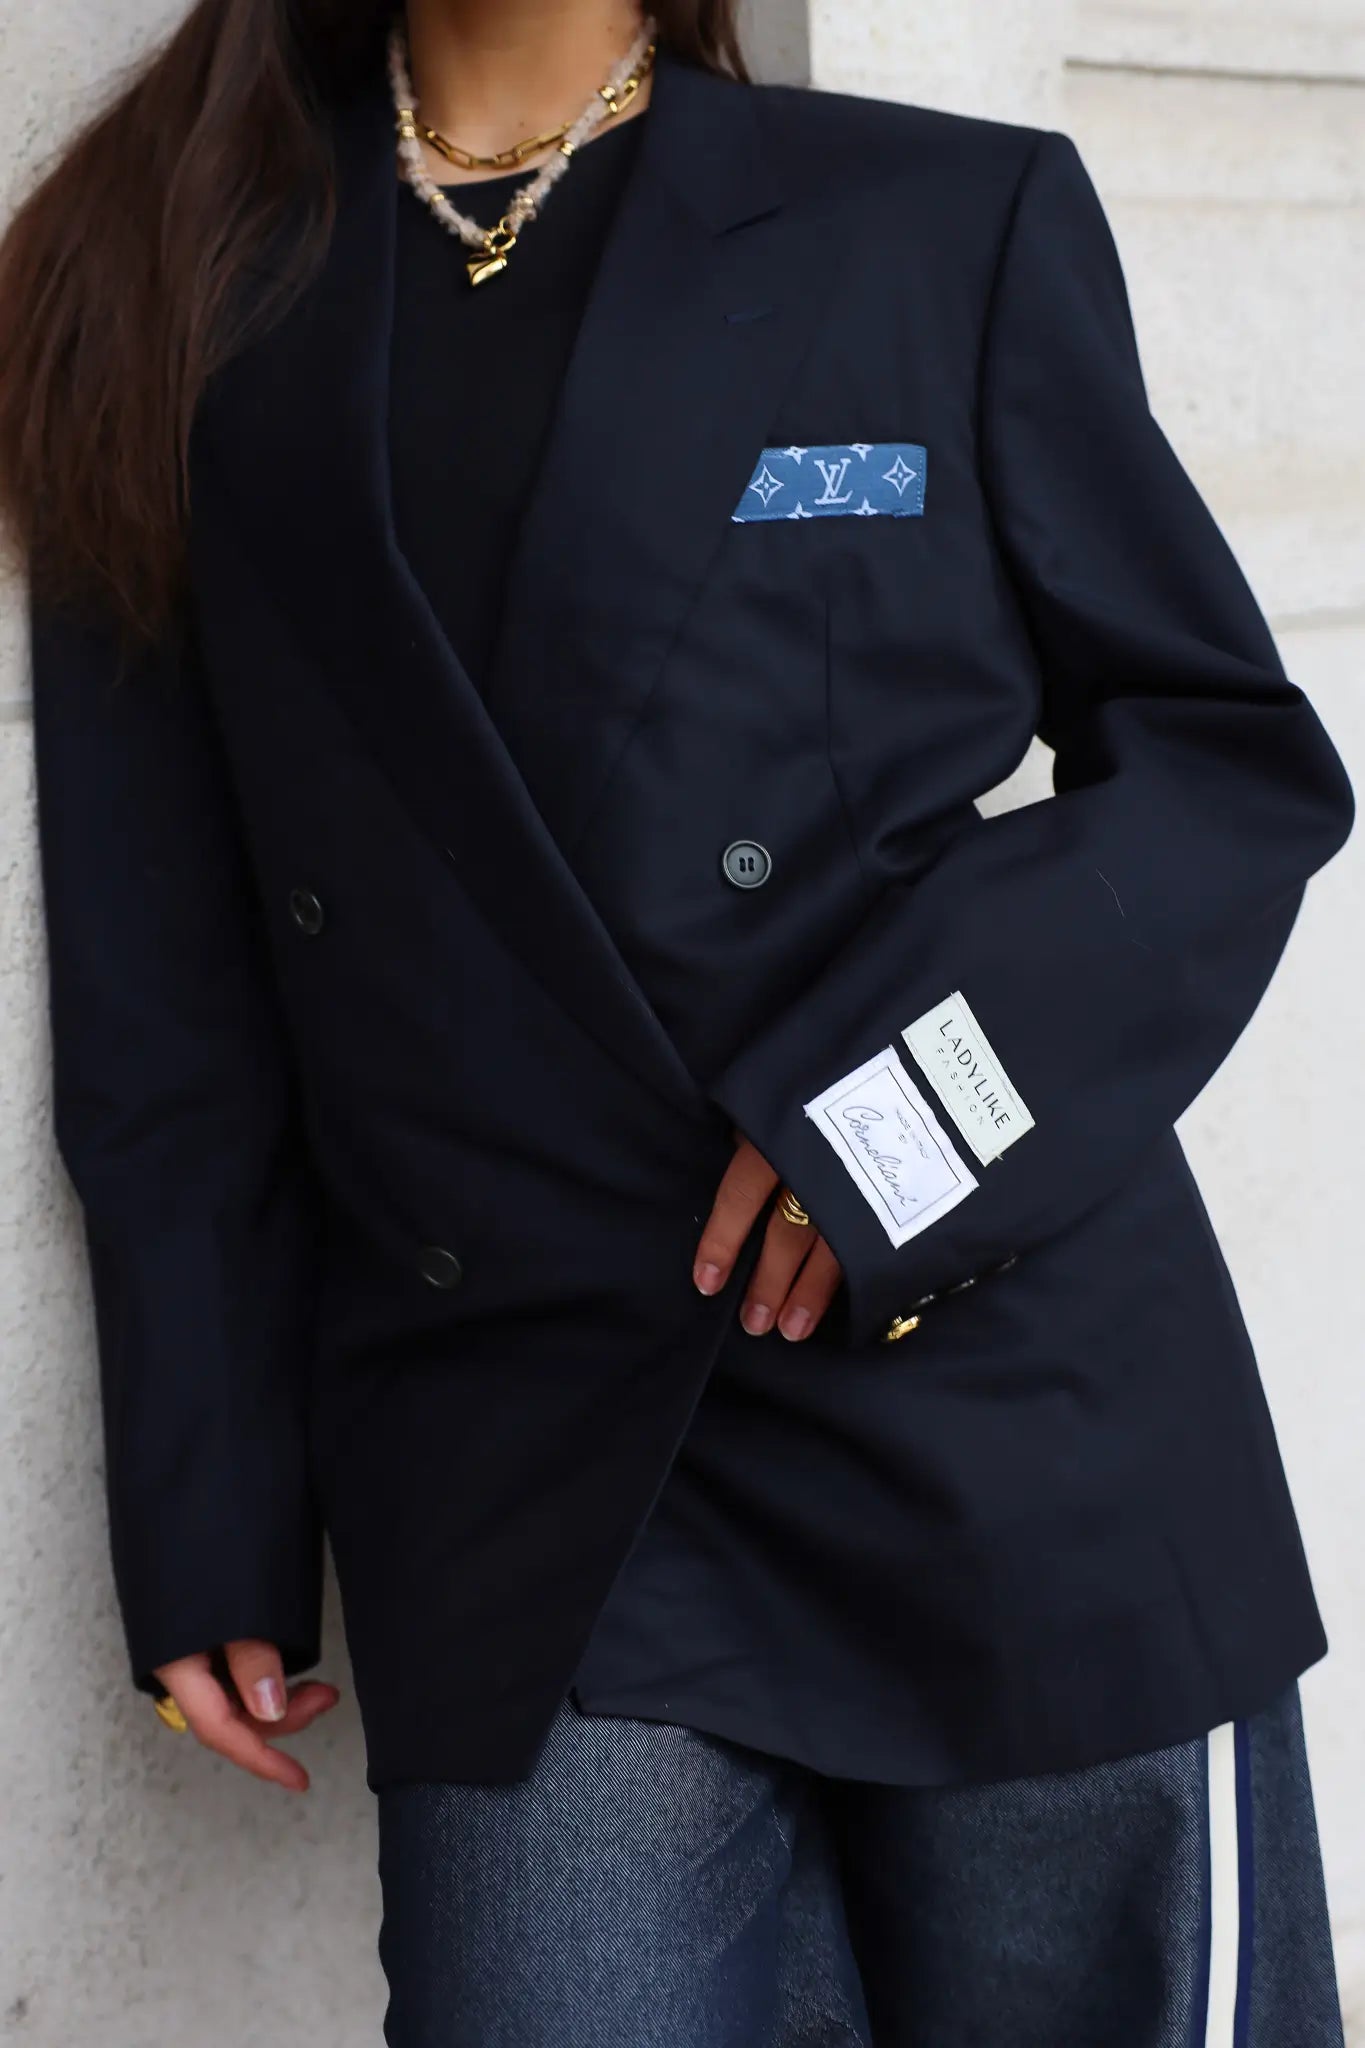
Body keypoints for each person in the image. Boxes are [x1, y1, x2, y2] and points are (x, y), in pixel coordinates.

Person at [0, 0, 1354, 2039]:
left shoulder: (935, 219)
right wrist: (209, 1510)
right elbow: (164, 983)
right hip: (521, 1454)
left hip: (1003, 1415)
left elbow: (1220, 775)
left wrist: (888, 1122)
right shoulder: (169, 283)